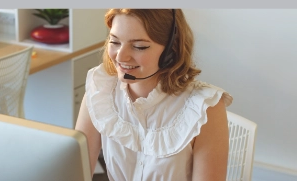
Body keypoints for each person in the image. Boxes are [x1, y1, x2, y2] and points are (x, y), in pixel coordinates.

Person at [75, 9, 233, 181]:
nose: (121, 56)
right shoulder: (101, 89)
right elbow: (76, 173)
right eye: (115, 42)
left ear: (171, 49)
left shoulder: (206, 108)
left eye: (139, 46)